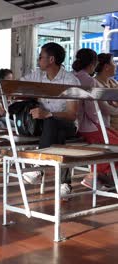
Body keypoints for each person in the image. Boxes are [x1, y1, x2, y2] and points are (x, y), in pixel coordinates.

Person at [20, 42, 81, 197]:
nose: (38, 60)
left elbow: (72, 114)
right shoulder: (37, 75)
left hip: (68, 125)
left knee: (53, 123)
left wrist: (48, 114)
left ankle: (38, 167)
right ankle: (64, 184)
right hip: (45, 127)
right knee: (56, 132)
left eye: (41, 57)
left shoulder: (70, 81)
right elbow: (16, 85)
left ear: (51, 59)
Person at [79, 53, 118, 189]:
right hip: (99, 125)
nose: (115, 65)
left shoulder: (112, 83)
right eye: (113, 63)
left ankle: (104, 177)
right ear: (106, 66)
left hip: (102, 124)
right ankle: (96, 176)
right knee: (112, 146)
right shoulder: (93, 83)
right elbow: (101, 111)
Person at [102, 12, 118, 80]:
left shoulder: (109, 14)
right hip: (113, 45)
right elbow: (107, 29)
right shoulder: (110, 15)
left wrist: (104, 45)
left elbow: (106, 29)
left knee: (112, 66)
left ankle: (112, 83)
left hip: (112, 45)